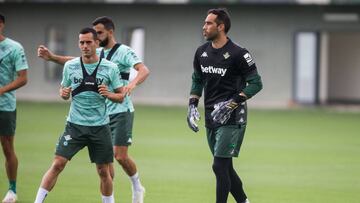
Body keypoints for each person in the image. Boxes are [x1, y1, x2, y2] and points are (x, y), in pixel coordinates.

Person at [37, 16, 149, 203]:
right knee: (106, 170)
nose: (93, 39)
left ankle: (137, 187)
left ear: (109, 32)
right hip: (98, 113)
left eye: (99, 33)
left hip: (120, 109)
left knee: (120, 156)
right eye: (87, 39)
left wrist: (132, 85)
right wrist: (52, 58)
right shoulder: (96, 53)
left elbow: (143, 69)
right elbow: (75, 61)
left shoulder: (123, 52)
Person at [187, 8, 263, 203]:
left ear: (221, 27)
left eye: (209, 23)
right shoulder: (201, 52)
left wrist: (232, 103)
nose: (204, 27)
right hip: (211, 117)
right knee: (225, 167)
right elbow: (197, 80)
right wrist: (193, 103)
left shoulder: (239, 53)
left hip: (233, 118)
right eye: (204, 23)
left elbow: (256, 83)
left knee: (218, 166)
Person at [0, 14, 28, 203]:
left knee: (7, 147)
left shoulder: (14, 48)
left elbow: (23, 78)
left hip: (5, 106)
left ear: (1, 24)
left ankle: (12, 190)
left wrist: (2, 90)